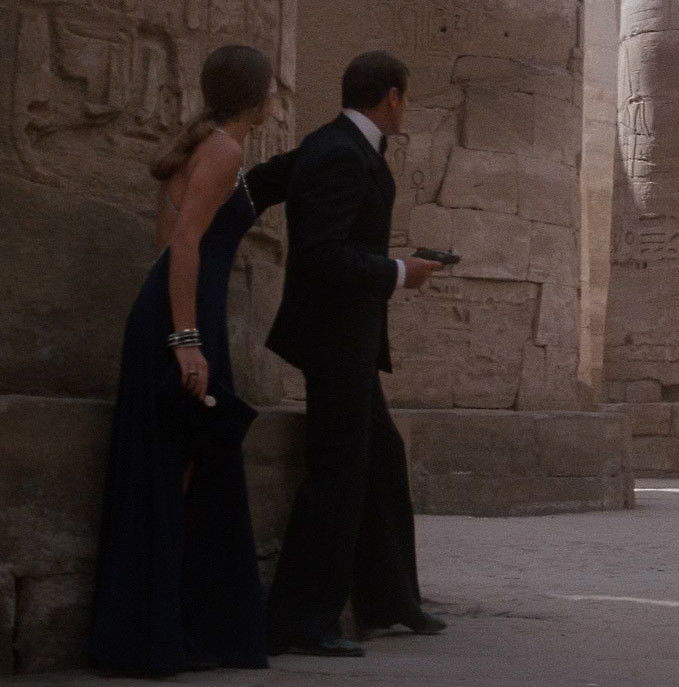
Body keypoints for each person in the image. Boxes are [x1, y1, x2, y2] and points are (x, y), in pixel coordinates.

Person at [90, 45, 298, 676]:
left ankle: (164, 632)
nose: (276, 97)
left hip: (174, 309)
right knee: (179, 464)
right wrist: (185, 337)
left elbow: (168, 241)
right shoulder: (223, 150)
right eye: (271, 88)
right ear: (258, 97)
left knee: (180, 465)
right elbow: (183, 243)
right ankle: (155, 637)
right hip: (182, 318)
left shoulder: (209, 145)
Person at [264, 51, 445, 658]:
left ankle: (389, 599)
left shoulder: (336, 144)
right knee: (338, 470)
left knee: (382, 456)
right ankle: (299, 620)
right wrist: (399, 272)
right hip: (334, 337)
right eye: (406, 98)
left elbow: (266, 180)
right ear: (392, 96)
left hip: (348, 339)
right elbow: (322, 253)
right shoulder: (340, 152)